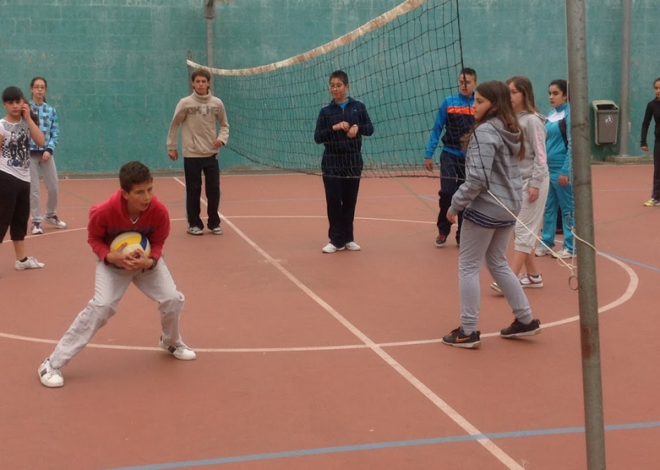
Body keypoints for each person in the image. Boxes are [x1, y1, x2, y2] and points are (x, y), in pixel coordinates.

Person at [37, 161, 196, 388]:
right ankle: (52, 363)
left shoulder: (159, 211)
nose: (147, 197)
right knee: (101, 306)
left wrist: (150, 261)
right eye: (139, 192)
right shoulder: (104, 211)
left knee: (172, 298)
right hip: (113, 264)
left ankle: (171, 342)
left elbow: (159, 241)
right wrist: (111, 257)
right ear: (125, 193)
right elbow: (94, 239)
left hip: (146, 263)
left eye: (150, 190)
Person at [441, 81, 542, 349]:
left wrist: (454, 206)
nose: (474, 106)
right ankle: (525, 319)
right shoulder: (509, 129)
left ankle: (468, 330)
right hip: (509, 205)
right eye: (474, 101)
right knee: (497, 262)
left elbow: (476, 179)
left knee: (468, 266)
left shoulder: (485, 132)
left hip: (487, 206)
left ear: (494, 106)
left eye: (480, 102)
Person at [490, 76, 549, 293]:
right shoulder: (511, 120)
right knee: (521, 229)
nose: (510, 96)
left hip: (535, 183)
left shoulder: (532, 121)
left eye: (514, 92)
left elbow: (541, 157)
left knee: (523, 230)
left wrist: (535, 184)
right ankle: (533, 276)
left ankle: (510, 279)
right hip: (516, 182)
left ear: (524, 94)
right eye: (508, 92)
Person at [314, 70, 374, 254]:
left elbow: (370, 129)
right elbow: (317, 137)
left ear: (347, 87)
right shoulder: (326, 111)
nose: (335, 88)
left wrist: (357, 127)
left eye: (338, 85)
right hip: (332, 161)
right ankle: (335, 240)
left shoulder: (358, 107)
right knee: (333, 200)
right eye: (332, 85)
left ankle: (348, 238)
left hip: (353, 160)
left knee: (349, 200)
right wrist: (335, 127)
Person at [167, 68, 229, 236]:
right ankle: (194, 224)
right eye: (198, 81)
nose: (201, 84)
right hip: (192, 154)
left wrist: (221, 139)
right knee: (194, 190)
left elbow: (224, 125)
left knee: (213, 190)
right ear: (193, 83)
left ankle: (214, 222)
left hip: (211, 154)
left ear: (208, 83)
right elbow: (174, 124)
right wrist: (171, 146)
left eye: (204, 81)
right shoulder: (185, 103)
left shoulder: (217, 103)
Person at [424, 68, 477, 248]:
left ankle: (462, 233)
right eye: (461, 82)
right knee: (447, 192)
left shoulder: (478, 104)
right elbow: (437, 128)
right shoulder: (449, 102)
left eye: (467, 82)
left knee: (465, 196)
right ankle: (443, 229)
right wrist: (428, 154)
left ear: (475, 84)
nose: (464, 85)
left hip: (469, 159)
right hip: (449, 154)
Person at [0, 86, 47, 275]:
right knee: (2, 219)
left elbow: (41, 141)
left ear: (23, 102)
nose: (15, 106)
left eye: (18, 102)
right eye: (10, 103)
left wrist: (28, 118)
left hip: (24, 177)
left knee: (20, 220)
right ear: (5, 105)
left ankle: (21, 260)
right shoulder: (2, 125)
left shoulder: (28, 123)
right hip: (5, 176)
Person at [535, 79, 575, 259]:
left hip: (561, 169)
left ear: (565, 95)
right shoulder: (551, 115)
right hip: (548, 170)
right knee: (549, 207)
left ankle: (571, 246)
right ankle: (547, 242)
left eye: (555, 93)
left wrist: (566, 171)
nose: (551, 97)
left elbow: (572, 144)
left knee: (568, 209)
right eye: (549, 93)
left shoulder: (570, 114)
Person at [28, 77, 67, 235]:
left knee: (53, 186)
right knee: (34, 190)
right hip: (29, 155)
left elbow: (55, 133)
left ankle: (50, 215)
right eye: (36, 87)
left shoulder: (51, 110)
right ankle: (36, 221)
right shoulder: (25, 109)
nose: (39, 90)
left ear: (45, 90)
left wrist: (49, 150)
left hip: (46, 154)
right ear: (31, 89)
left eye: (42, 87)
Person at [640, 77, 660, 206]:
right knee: (658, 170)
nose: (658, 90)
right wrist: (643, 141)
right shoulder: (652, 105)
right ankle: (656, 197)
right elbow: (645, 124)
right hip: (659, 141)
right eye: (656, 88)